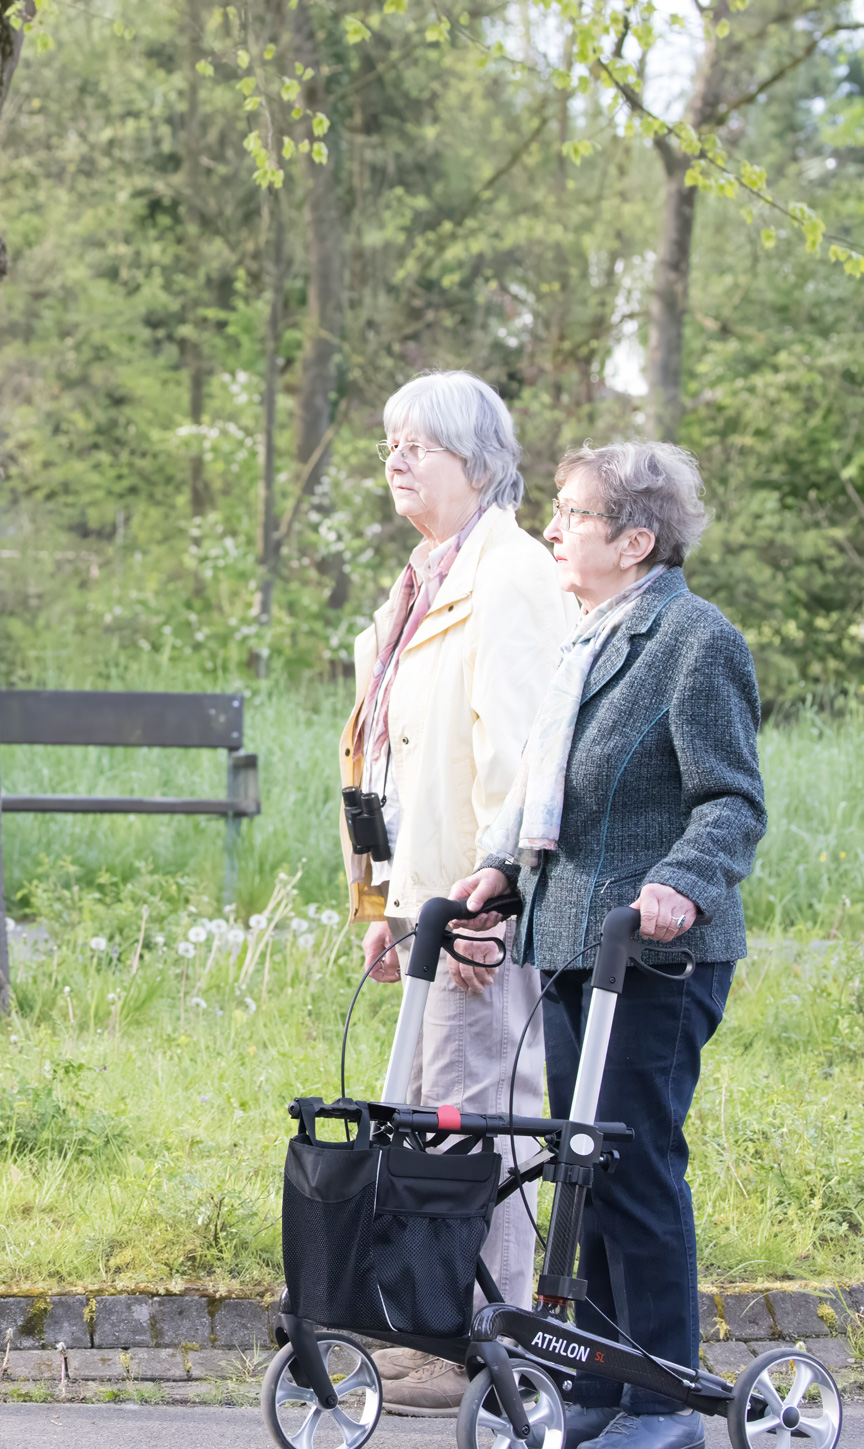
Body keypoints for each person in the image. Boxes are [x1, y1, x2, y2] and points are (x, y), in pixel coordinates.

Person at [454, 441, 764, 1449]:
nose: (551, 527)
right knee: (576, 1168)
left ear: (633, 540)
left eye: (571, 513)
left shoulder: (693, 638)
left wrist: (679, 881)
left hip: (657, 954)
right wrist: (503, 875)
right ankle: (596, 1384)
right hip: (571, 936)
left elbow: (727, 799)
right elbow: (564, 802)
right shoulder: (587, 638)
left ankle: (662, 1398)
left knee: (628, 1166)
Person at [336, 370, 574, 1414]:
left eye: (418, 445)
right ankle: (433, 1321)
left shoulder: (509, 575)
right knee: (434, 1114)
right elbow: (388, 755)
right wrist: (386, 902)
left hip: (476, 902)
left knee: (482, 1115)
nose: (395, 459)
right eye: (390, 441)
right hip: (426, 898)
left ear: (475, 464)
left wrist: (486, 902)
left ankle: (484, 1337)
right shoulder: (424, 575)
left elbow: (519, 757)